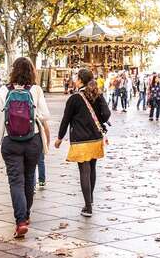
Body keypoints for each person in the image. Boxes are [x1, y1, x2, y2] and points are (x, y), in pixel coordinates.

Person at [0, 57, 50, 238]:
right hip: (33, 141)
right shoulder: (36, 90)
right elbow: (45, 115)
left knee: (16, 181)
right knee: (30, 177)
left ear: (13, 70)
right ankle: (27, 214)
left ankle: (20, 221)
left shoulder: (3, 91)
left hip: (11, 142)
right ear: (32, 71)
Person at [55, 68, 111, 218]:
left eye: (76, 76)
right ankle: (90, 200)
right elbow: (106, 114)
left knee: (84, 171)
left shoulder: (74, 98)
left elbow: (66, 119)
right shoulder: (97, 94)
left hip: (80, 140)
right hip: (95, 138)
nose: (74, 78)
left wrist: (59, 138)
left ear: (80, 80)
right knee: (92, 169)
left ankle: (88, 207)